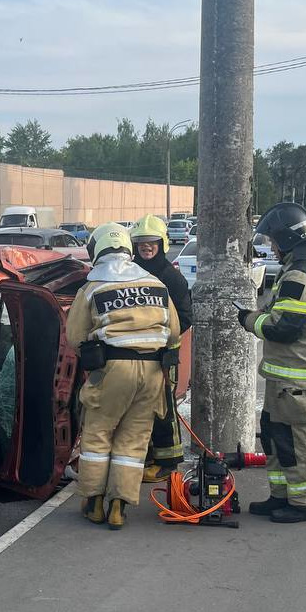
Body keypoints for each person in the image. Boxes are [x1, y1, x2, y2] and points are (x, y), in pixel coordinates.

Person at [65, 224, 180, 530]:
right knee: (134, 439)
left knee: (98, 434)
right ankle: (120, 505)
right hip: (153, 371)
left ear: (96, 250)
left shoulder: (92, 287)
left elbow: (75, 336)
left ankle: (94, 502)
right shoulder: (155, 283)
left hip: (113, 370)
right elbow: (174, 332)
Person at [237, 202, 306, 523]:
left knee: (298, 438)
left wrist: (250, 319)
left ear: (287, 238)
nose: (273, 248)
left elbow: (284, 327)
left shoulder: (300, 274)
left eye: (274, 241)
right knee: (276, 434)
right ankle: (282, 495)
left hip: (297, 374)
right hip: (287, 375)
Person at [129, 214, 192, 481]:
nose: (146, 247)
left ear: (161, 243)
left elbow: (187, 316)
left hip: (164, 353)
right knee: (137, 407)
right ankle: (147, 456)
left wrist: (159, 334)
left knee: (163, 408)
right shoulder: (131, 273)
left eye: (151, 242)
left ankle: (168, 464)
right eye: (141, 243)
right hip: (135, 354)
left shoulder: (172, 278)